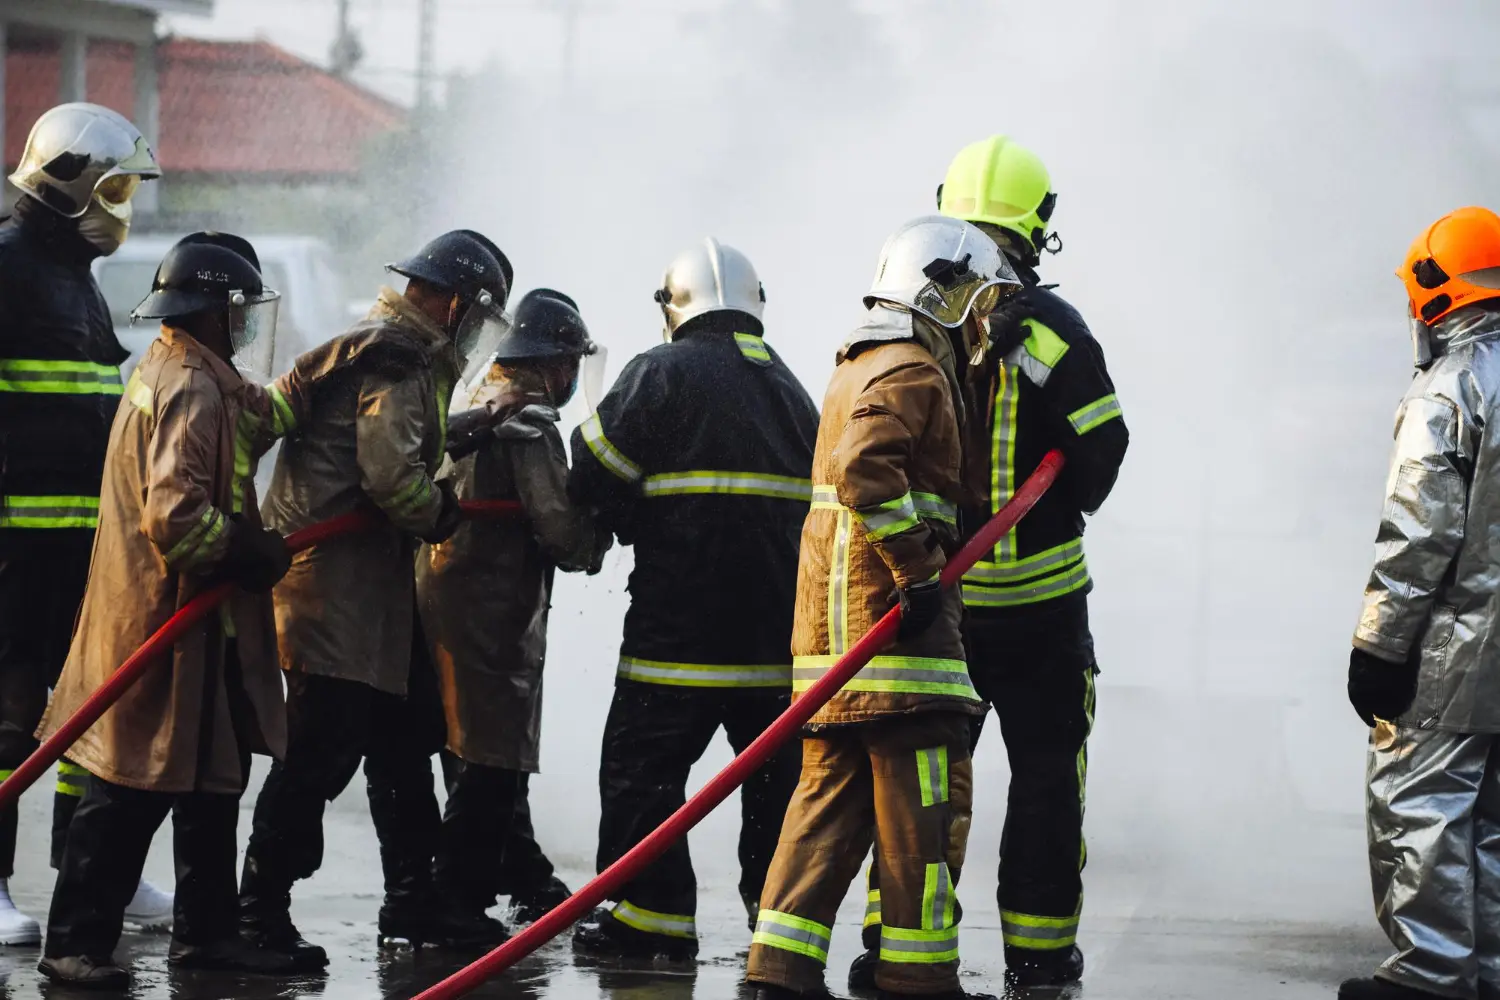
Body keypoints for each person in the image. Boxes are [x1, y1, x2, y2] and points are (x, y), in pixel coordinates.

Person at [852, 135, 1130, 992]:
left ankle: (893, 947)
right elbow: (1102, 456)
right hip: (1043, 611)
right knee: (1046, 780)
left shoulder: (909, 311)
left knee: (919, 780)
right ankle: (1040, 959)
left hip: (940, 600)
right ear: (1038, 226)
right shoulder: (1055, 329)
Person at [745, 215, 1018, 1000]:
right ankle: (918, 974)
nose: (980, 318)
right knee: (920, 819)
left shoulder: (853, 368)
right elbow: (868, 473)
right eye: (975, 298)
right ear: (940, 294)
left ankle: (779, 968)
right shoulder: (914, 372)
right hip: (898, 645)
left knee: (824, 810)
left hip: (835, 648)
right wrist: (920, 569)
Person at [34, 234, 315, 987]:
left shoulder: (178, 367)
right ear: (215, 312)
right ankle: (74, 944)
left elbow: (258, 418)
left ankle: (208, 936)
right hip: (163, 624)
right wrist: (251, 552)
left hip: (190, 627)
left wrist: (329, 366)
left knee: (207, 784)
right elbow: (178, 517)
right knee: (128, 789)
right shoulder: (190, 387)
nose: (246, 324)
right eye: (239, 311)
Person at [238, 230, 512, 962]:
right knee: (320, 754)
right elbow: (391, 475)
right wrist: (442, 514)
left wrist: (473, 429)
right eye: (477, 316)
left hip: (367, 597)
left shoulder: (390, 349)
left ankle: (412, 901)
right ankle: (258, 912)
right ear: (455, 302)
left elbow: (402, 438)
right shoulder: (395, 354)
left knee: (403, 738)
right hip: (331, 597)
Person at [568, 239, 819, 962]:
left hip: (673, 647)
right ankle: (778, 934)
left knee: (640, 774)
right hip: (776, 654)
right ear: (753, 303)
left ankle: (650, 924)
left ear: (672, 305)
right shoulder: (794, 393)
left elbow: (592, 477)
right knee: (775, 790)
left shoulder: (660, 373)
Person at [0, 102, 174, 944]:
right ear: (66, 180)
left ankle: (91, 869)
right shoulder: (7, 264)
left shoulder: (73, 275)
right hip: (12, 547)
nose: (121, 206)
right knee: (6, 714)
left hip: (83, 543)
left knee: (88, 708)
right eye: (112, 186)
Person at [1339, 206, 1500, 1000]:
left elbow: (1417, 540)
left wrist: (1378, 647)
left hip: (1451, 652)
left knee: (1419, 798)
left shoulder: (1449, 391)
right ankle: (1487, 971)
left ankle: (1431, 976)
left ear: (1437, 291)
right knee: (1494, 817)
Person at [418, 287, 611, 936]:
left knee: (472, 752)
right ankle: (458, 904)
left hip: (444, 602)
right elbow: (562, 532)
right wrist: (601, 527)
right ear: (557, 366)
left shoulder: (472, 397)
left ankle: (526, 878)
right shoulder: (527, 421)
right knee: (492, 764)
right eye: (571, 367)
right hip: (493, 613)